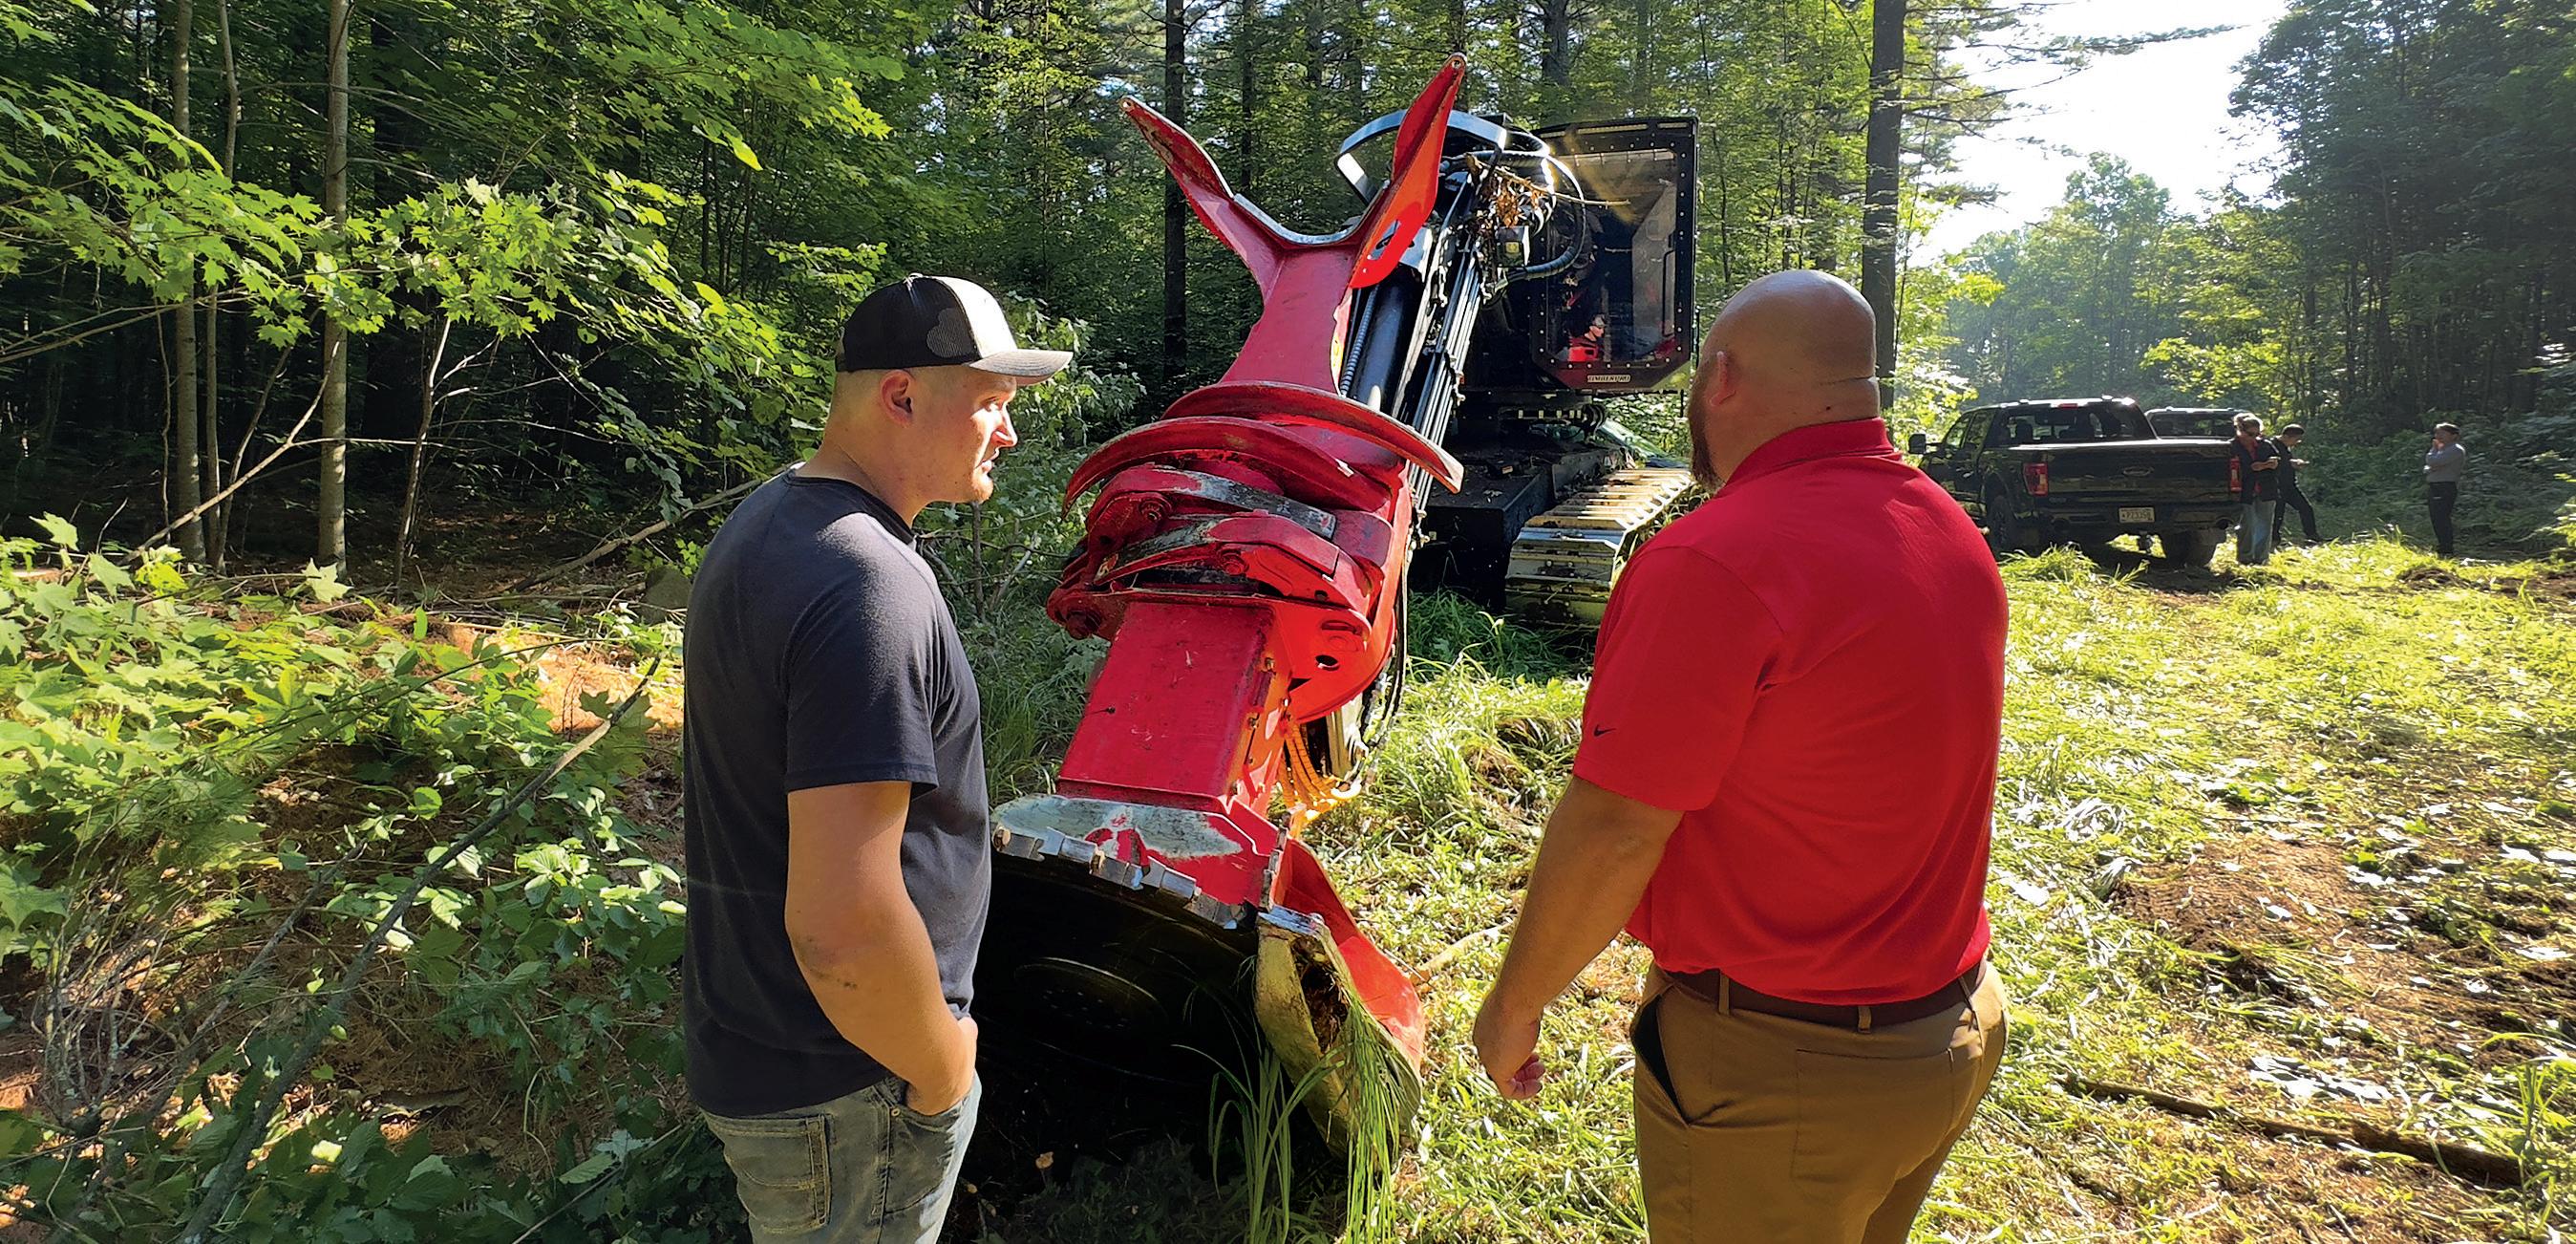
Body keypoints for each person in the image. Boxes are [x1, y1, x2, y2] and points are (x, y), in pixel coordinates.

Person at [1470, 270, 2008, 1244]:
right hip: (1946, 1032)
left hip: (1787, 1073)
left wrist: (1516, 1005)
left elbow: (1618, 826)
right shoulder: (1944, 527)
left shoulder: (1716, 558)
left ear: (1719, 378)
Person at [681, 275, 1068, 1243]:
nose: (1008, 433)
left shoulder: (773, 522)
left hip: (777, 1057)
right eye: (990, 401)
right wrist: (940, 1068)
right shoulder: (866, 587)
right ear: (901, 395)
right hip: (852, 1089)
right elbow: (843, 927)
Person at [2229, 413, 2283, 566]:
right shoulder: (2232, 447)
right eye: (2251, 434)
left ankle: (2261, 558)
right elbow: (2230, 470)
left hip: (2266, 490)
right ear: (2240, 431)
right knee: (2248, 525)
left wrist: (2273, 464)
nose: (2254, 438)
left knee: (2265, 525)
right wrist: (2251, 468)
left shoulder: (2265, 445)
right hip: (2244, 491)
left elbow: (2279, 463)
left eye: (2258, 434)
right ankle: (2245, 558)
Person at [2271, 423, 2320, 546]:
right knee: (2278, 513)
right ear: (2287, 436)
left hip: (2290, 486)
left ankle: (2312, 535)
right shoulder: (2271, 445)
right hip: (2276, 485)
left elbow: (2286, 462)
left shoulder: (2286, 447)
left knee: (2306, 508)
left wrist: (2295, 464)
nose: (2297, 442)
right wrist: (2289, 463)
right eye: (2296, 439)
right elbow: (2272, 463)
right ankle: (2274, 539)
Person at [2424, 422, 2466, 556]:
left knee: (2441, 518)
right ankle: (2442, 545)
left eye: (2442, 433)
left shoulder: (2455, 449)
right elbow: (2428, 468)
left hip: (2444, 486)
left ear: (2453, 436)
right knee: (2436, 518)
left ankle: (2447, 548)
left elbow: (2433, 462)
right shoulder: (2442, 450)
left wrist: (2433, 450)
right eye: (2437, 433)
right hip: (2435, 486)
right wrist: (2433, 465)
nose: (2438, 436)